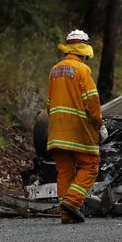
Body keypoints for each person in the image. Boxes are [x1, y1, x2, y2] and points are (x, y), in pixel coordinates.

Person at [46, 30, 105, 224]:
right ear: (84, 49)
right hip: (78, 130)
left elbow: (49, 103)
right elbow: (92, 100)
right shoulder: (82, 70)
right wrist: (99, 124)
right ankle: (72, 202)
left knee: (64, 172)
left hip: (56, 131)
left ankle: (66, 214)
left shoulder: (54, 70)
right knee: (90, 166)